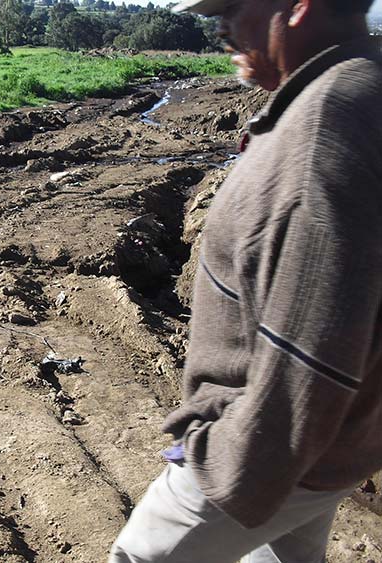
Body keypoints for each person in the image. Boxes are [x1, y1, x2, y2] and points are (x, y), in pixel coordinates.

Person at [108, 0, 382, 561]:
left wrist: (229, 467)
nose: (220, 24)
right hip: (332, 442)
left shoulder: (323, 134)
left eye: (233, 6)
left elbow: (310, 347)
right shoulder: (355, 90)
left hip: (270, 447)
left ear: (299, 7)